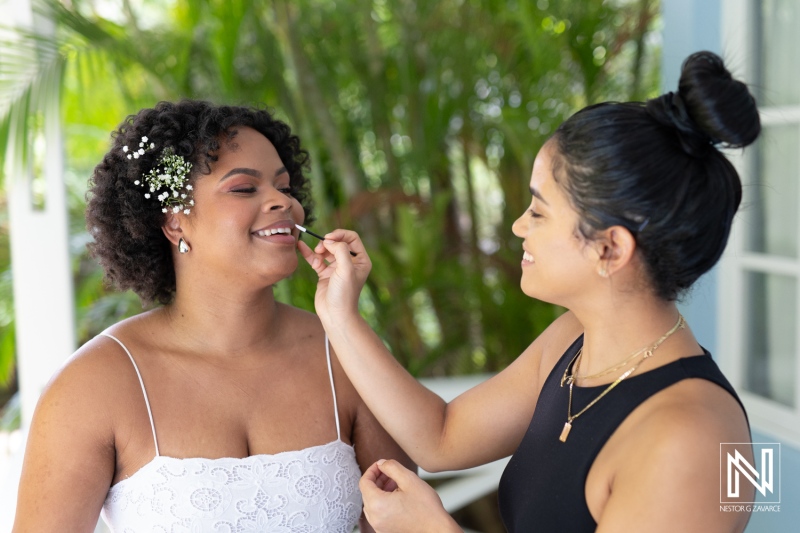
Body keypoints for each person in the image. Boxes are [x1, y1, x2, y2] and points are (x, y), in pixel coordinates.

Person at [299, 51, 758, 532]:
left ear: (610, 248)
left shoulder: (692, 439)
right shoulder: (573, 341)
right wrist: (339, 314)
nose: (519, 226)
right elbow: (442, 437)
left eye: (538, 212)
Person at [13, 100, 412, 532]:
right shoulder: (92, 386)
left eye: (285, 187)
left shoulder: (348, 355)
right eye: (244, 188)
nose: (282, 202)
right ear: (174, 223)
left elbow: (410, 523)